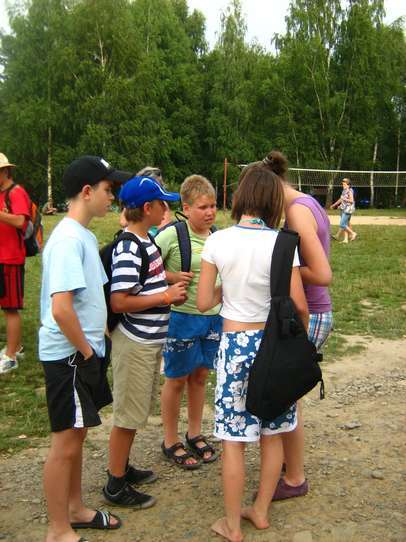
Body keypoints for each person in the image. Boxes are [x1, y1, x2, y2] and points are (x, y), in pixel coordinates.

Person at [197, 163, 309, 542]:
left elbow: (203, 302)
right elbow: (299, 305)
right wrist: (300, 343)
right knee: (272, 433)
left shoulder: (218, 241)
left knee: (234, 440)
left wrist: (226, 288)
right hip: (273, 345)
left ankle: (231, 524)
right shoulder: (283, 243)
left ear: (240, 197)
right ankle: (260, 510)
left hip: (235, 346)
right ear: (274, 201)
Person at [39, 155, 132, 542]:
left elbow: (90, 298)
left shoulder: (85, 237)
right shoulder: (67, 240)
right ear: (88, 191)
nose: (113, 197)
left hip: (83, 352)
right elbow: (61, 309)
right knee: (65, 442)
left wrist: (101, 339)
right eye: (109, 190)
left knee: (76, 434)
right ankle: (57, 528)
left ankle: (75, 509)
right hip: (70, 356)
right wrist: (88, 352)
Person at [103, 176, 188, 507]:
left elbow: (149, 277)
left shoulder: (146, 240)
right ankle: (115, 484)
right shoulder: (129, 247)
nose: (166, 208)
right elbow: (119, 301)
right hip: (134, 344)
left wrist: (169, 282)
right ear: (148, 208)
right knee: (128, 416)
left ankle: (122, 467)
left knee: (136, 411)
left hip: (148, 341)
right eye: (162, 203)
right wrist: (165, 296)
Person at [261, 150, 333, 501]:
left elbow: (321, 273)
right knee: (289, 396)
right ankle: (291, 466)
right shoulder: (306, 202)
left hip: (311, 312)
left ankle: (294, 478)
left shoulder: (296, 212)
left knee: (286, 397)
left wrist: (274, 266)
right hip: (312, 310)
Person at [156, 175, 222, 469]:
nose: (210, 212)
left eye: (213, 206)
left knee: (200, 376)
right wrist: (170, 277)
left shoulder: (218, 236)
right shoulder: (171, 235)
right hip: (181, 318)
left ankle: (194, 432)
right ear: (185, 208)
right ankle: (170, 440)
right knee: (177, 378)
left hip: (213, 318)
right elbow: (144, 268)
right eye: (203, 207)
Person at [0, 153, 30, 374]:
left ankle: (11, 357)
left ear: (4, 171)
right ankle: (15, 346)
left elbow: (20, 220)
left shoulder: (16, 192)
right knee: (5, 305)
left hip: (10, 259)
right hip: (2, 256)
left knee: (11, 308)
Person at [330, 178, 357, 243]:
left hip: (347, 209)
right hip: (343, 208)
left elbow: (351, 201)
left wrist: (344, 199)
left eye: (344, 183)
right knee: (346, 224)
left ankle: (353, 233)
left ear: (348, 184)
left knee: (342, 224)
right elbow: (341, 199)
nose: (343, 184)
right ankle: (345, 239)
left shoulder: (349, 191)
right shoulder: (344, 190)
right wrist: (334, 205)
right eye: (342, 183)